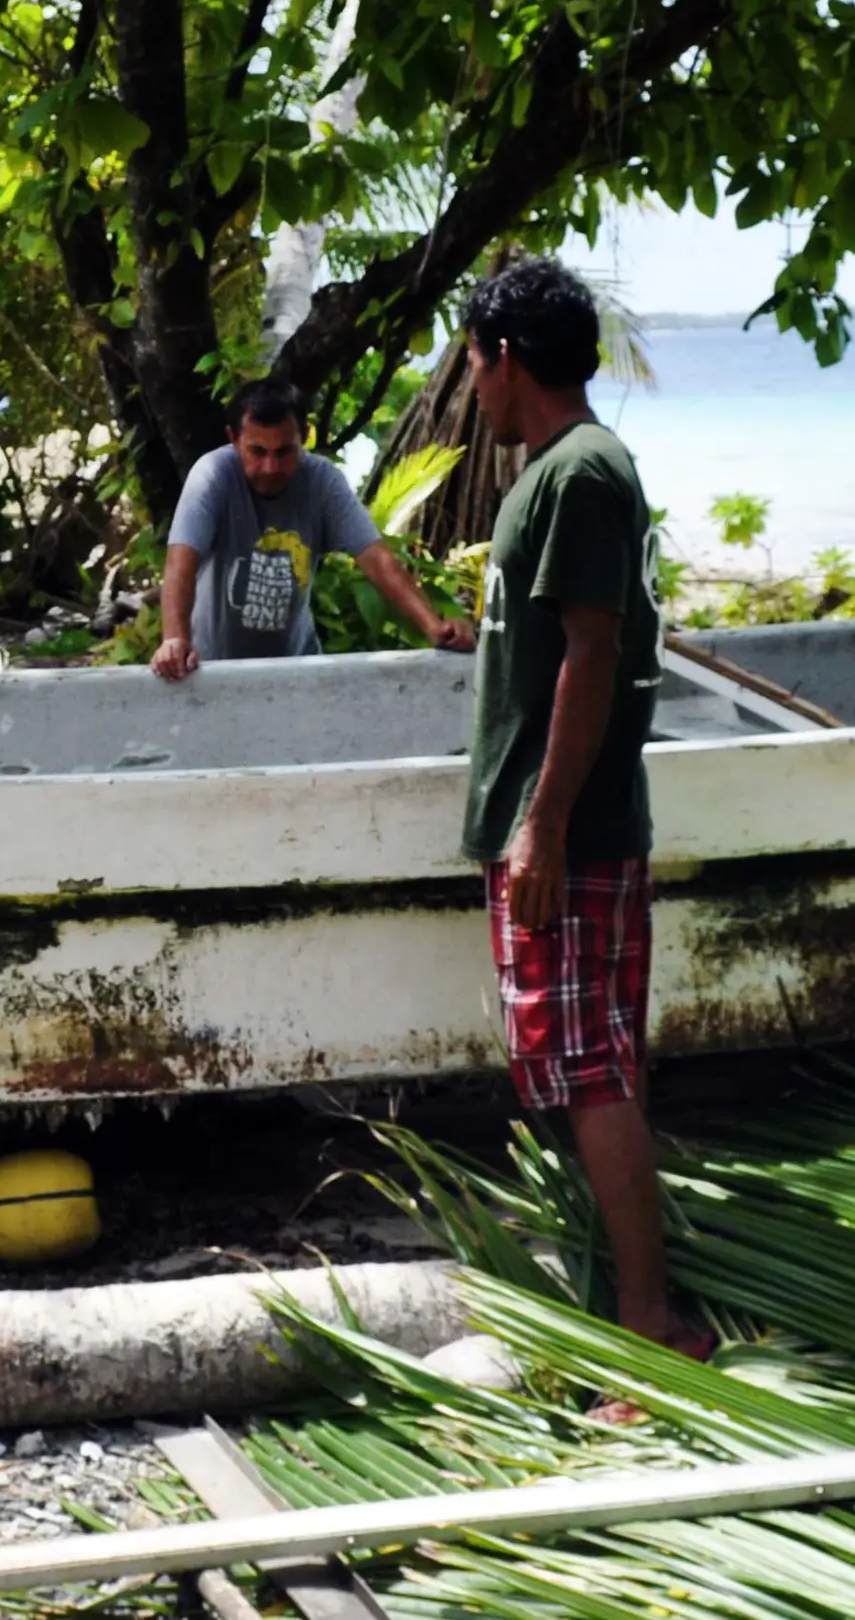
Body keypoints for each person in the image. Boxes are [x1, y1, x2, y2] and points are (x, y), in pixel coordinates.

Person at [458, 257, 696, 1361]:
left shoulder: (578, 474)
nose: (472, 392)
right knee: (589, 1064)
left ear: (505, 358)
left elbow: (593, 654)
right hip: (565, 828)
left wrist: (541, 824)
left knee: (589, 1067)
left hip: (574, 834)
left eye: (473, 366)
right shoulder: (567, 471)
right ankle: (623, 1297)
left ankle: (650, 1323)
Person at [150, 380, 469, 681]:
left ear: (305, 435)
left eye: (285, 451)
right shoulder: (212, 475)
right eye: (257, 452)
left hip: (296, 669)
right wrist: (175, 640)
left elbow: (377, 559)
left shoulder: (323, 481)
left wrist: (434, 628)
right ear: (233, 438)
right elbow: (181, 562)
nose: (271, 468)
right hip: (211, 671)